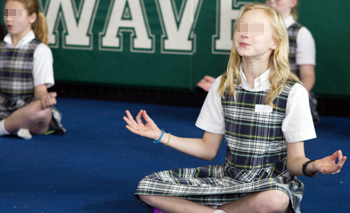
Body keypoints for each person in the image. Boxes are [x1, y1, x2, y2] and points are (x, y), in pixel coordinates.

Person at [123, 3, 346, 213]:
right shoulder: (222, 85)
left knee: (276, 199)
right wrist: (161, 135)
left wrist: (313, 165)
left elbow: (295, 162)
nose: (245, 34)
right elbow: (208, 149)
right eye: (241, 28)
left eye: (256, 30)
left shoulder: (293, 91)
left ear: (275, 42)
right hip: (228, 178)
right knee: (147, 188)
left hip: (269, 183)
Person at [198, 0, 319, 123]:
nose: (272, 1)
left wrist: (297, 95)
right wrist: (226, 85)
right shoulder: (246, 39)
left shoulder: (301, 34)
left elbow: (308, 74)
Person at [0, 0, 66, 140]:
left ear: (32, 17)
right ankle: (15, 128)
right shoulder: (1, 47)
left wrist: (45, 99)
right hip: (2, 107)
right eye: (6, 13)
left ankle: (4, 128)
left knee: (42, 111)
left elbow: (40, 92)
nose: (9, 18)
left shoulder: (40, 50)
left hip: (27, 111)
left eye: (15, 14)